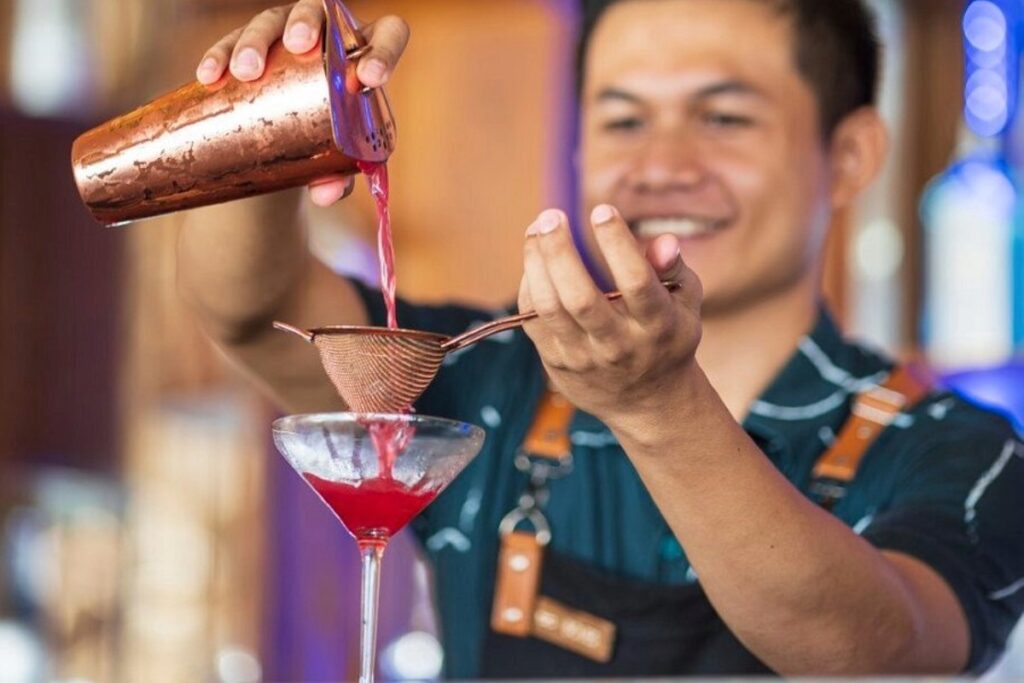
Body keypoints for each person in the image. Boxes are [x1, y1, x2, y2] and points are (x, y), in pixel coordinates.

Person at [179, 0, 1024, 677]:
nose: (662, 163)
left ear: (849, 155)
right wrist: (274, 117)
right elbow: (253, 312)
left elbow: (870, 653)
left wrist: (660, 408)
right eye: (623, 121)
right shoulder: (494, 379)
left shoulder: (961, 453)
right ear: (577, 146)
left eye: (724, 118)